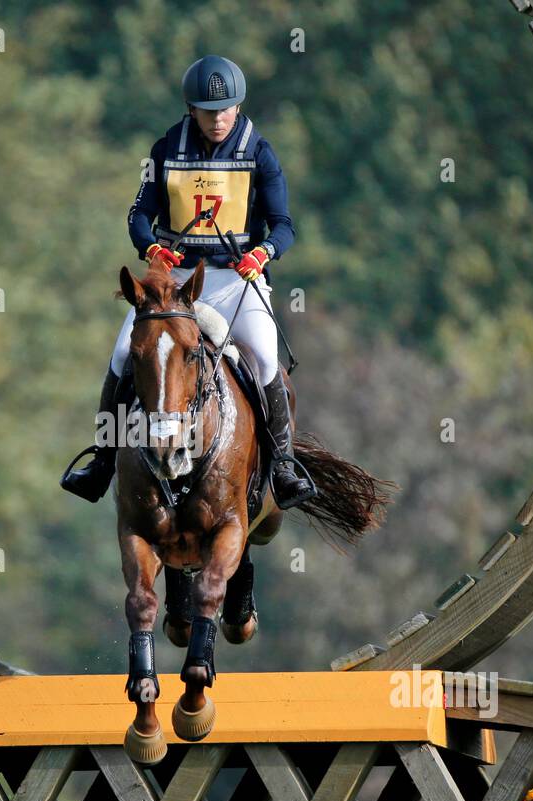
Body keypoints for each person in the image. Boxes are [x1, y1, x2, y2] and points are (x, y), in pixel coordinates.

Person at [61, 54, 316, 509]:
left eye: (226, 109)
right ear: (190, 109)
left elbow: (284, 226)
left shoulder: (260, 152)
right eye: (207, 110)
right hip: (174, 285)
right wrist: (153, 248)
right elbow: (139, 215)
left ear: (238, 107)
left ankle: (281, 464)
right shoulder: (165, 151)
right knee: (123, 356)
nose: (218, 119)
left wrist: (263, 252)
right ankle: (102, 460)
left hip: (235, 279)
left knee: (262, 358)